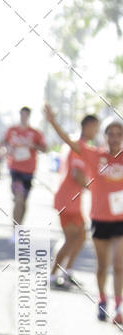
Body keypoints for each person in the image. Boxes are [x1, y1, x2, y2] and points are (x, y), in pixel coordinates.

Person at [45, 105, 123, 323]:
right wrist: (52, 122)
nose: (115, 138)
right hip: (100, 219)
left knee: (119, 264)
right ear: (105, 136)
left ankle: (119, 305)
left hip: (120, 220)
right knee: (102, 266)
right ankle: (102, 300)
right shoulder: (94, 155)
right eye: (111, 134)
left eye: (119, 134)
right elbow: (70, 143)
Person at [50, 114, 99, 289]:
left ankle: (67, 272)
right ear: (86, 126)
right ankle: (52, 275)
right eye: (95, 127)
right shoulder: (77, 146)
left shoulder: (75, 144)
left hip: (72, 200)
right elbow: (78, 175)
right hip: (67, 199)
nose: (96, 131)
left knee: (80, 237)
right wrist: (97, 189)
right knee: (71, 238)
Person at [2, 107, 46, 230]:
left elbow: (44, 148)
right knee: (19, 197)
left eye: (26, 115)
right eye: (22, 115)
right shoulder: (12, 130)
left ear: (29, 116)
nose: (24, 117)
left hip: (29, 170)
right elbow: (4, 143)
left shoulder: (35, 132)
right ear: (20, 115)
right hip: (15, 169)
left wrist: (33, 146)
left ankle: (19, 224)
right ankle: (15, 229)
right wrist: (7, 149)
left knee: (23, 200)